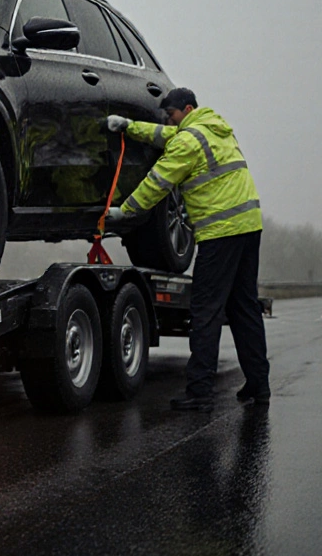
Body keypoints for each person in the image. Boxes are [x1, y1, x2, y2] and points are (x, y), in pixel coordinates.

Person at [106, 87, 268, 412]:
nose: (168, 119)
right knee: (245, 309)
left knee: (205, 311)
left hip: (220, 233)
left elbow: (158, 180)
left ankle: (199, 392)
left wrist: (125, 211)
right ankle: (258, 386)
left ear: (187, 108)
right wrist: (128, 125)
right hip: (249, 227)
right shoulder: (215, 130)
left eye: (172, 114)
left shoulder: (188, 141)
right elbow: (163, 134)